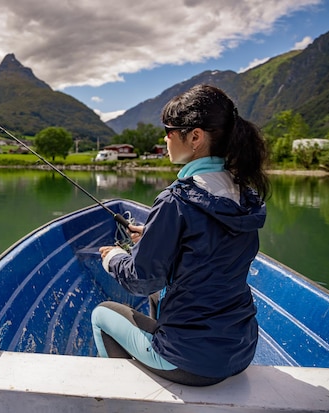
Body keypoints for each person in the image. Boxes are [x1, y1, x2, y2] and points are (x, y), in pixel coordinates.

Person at [92, 84, 270, 386]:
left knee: (102, 315)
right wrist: (152, 235)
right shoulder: (245, 196)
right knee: (157, 294)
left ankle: (123, 395)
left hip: (190, 360)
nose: (165, 138)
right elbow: (207, 245)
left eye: (169, 130)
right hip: (241, 350)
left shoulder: (178, 200)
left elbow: (141, 279)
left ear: (196, 137)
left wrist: (115, 259)